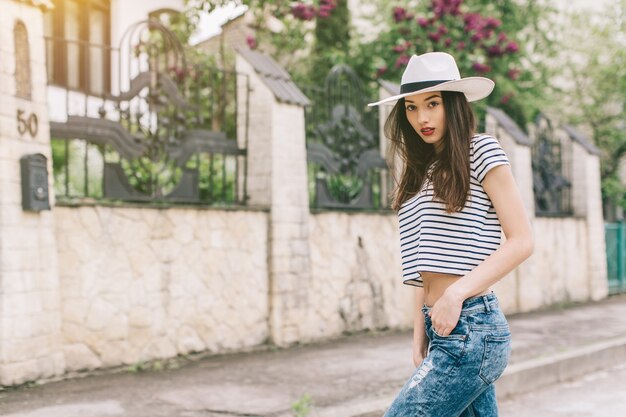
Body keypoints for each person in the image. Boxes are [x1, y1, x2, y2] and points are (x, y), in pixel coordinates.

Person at [368, 52, 534, 416]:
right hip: (442, 328)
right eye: (411, 107)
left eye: (432, 103)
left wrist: (456, 293)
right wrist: (419, 332)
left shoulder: (482, 152)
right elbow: (424, 266)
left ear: (454, 104)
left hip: (473, 327)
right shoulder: (419, 174)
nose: (421, 117)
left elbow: (522, 240)